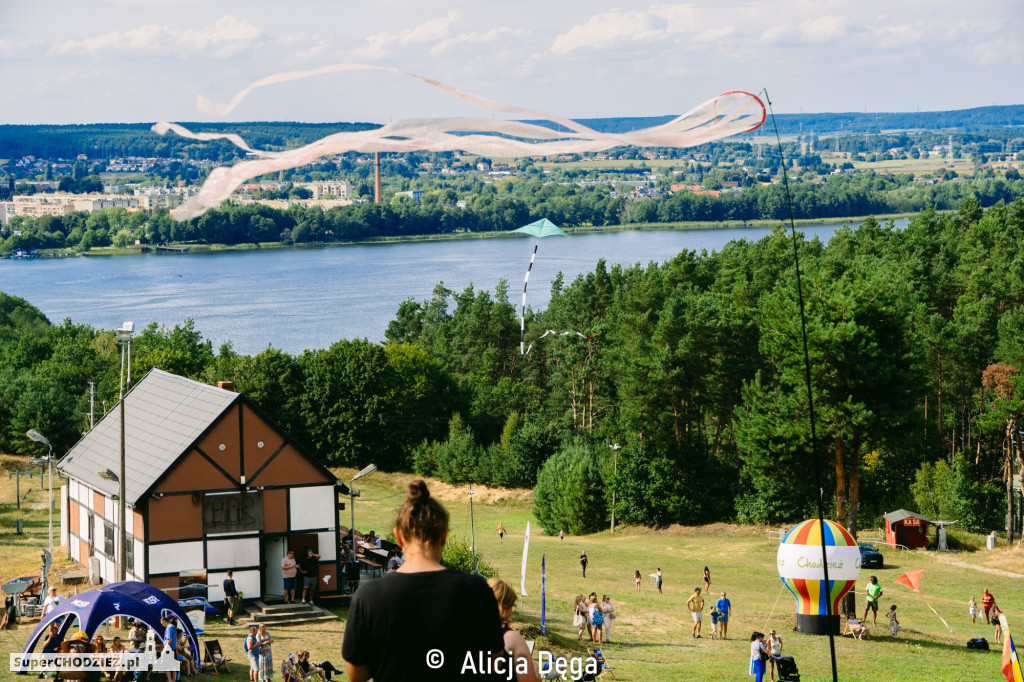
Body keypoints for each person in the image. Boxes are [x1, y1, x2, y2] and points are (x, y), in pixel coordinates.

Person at [341, 479, 505, 681]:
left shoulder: (369, 596)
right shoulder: (477, 590)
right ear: (444, 535)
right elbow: (495, 661)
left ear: (399, 537)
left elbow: (357, 674)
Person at [488, 578, 542, 682]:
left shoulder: (466, 634)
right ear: (504, 608)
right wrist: (535, 671)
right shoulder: (511, 638)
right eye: (511, 606)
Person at [159, 617, 177, 682]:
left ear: (164, 621)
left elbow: (169, 640)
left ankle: (170, 680)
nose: (162, 625)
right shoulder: (173, 627)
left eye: (162, 623)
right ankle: (173, 679)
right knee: (173, 665)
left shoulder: (169, 628)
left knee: (167, 665)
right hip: (174, 648)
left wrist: (165, 649)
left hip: (169, 649)